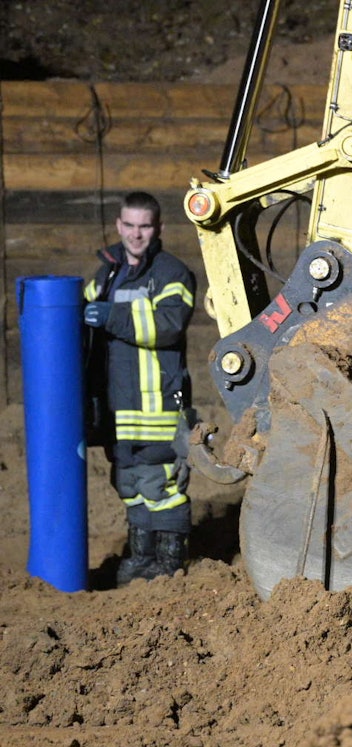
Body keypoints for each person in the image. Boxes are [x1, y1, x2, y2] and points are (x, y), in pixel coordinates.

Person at [83, 191, 197, 586]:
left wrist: (112, 315)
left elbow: (167, 325)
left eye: (144, 226)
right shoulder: (105, 275)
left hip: (157, 405)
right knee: (129, 481)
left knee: (161, 482)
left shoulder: (172, 273)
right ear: (118, 225)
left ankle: (170, 562)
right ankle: (141, 556)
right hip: (117, 407)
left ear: (158, 228)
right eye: (129, 225)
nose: (135, 234)